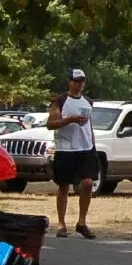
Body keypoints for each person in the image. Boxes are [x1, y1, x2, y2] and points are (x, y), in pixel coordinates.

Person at [47, 68, 98, 239]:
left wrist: (93, 142)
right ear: (69, 82)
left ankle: (81, 222)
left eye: (82, 81)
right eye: (76, 81)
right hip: (66, 148)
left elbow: (88, 124)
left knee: (89, 183)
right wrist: (69, 120)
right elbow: (51, 123)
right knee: (63, 186)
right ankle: (61, 224)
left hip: (86, 148)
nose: (79, 84)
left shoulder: (88, 102)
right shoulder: (60, 100)